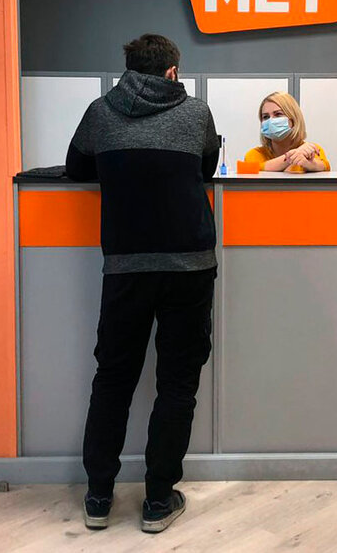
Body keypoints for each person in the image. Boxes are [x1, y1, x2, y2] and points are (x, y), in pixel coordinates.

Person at [65, 33, 220, 534]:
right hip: (188, 267)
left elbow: (76, 167)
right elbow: (207, 168)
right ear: (173, 70)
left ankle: (98, 497)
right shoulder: (196, 113)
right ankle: (157, 501)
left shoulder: (100, 112)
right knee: (177, 383)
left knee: (112, 378)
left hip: (126, 268)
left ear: (128, 69)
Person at [243, 92, 330, 173]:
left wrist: (308, 164)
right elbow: (255, 169)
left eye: (278, 114)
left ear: (293, 119)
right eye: (265, 117)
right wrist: (296, 154)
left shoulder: (310, 149)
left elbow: (324, 167)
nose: (270, 121)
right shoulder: (255, 154)